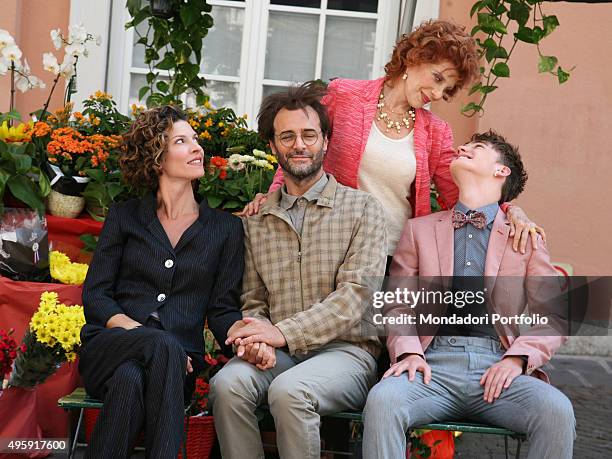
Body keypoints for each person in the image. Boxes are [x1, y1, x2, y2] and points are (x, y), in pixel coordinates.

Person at [243, 19, 544, 259]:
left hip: (394, 254)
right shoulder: (344, 96)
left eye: (447, 89)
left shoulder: (437, 132)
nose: (438, 94)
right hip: (333, 245)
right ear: (414, 58)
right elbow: (305, 150)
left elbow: (461, 195)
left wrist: (510, 212)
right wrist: (273, 197)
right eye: (438, 78)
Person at [362, 130, 575, 458]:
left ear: (501, 171)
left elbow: (554, 316)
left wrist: (517, 360)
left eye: (476, 148)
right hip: (430, 365)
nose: (462, 148)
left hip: (498, 367)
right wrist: (409, 353)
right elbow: (398, 304)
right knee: (383, 400)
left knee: (557, 411)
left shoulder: (526, 238)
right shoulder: (419, 231)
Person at [209, 83, 387, 459]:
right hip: (281, 352)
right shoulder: (256, 220)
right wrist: (255, 341)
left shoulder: (363, 209)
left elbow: (356, 297)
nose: (299, 145)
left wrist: (280, 333)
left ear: (325, 140)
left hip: (349, 353)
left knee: (291, 392)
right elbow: (253, 299)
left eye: (309, 134)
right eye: (286, 136)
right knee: (228, 385)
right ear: (273, 147)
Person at [78, 105, 244, 458]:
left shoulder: (225, 230)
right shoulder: (125, 217)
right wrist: (148, 337)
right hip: (109, 347)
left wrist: (246, 339)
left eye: (196, 140)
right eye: (182, 141)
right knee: (162, 346)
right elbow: (96, 296)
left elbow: (221, 309)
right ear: (157, 156)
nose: (197, 148)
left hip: (173, 372)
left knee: (130, 379)